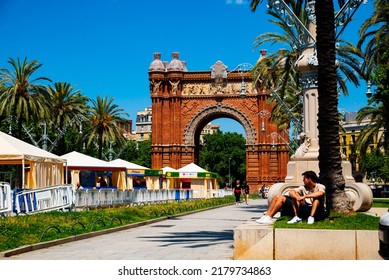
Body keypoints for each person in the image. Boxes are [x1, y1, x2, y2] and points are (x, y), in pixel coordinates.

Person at [256, 170, 326, 225]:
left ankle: (311, 217)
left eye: (304, 179)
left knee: (316, 198)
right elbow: (291, 192)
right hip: (305, 208)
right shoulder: (303, 187)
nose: (303, 180)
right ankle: (267, 216)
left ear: (309, 179)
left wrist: (304, 196)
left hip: (317, 211)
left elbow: (320, 193)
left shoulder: (320, 186)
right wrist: (298, 197)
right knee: (277, 197)